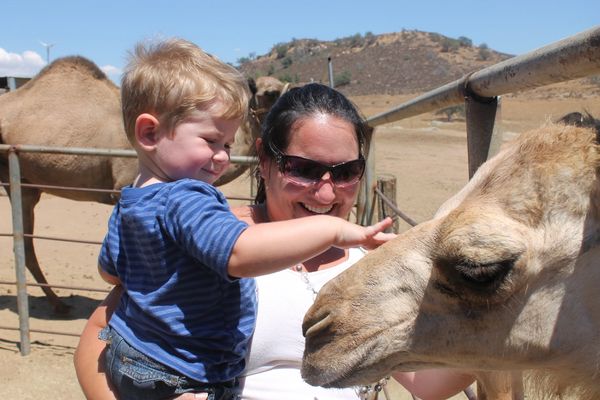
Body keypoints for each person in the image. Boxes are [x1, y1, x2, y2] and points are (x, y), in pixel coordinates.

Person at [75, 82, 474, 400]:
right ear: (265, 161)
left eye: (347, 171)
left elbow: (423, 383)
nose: (325, 194)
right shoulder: (208, 238)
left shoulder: (369, 261)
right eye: (303, 168)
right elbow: (99, 336)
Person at [92, 39, 393, 400]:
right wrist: (334, 229)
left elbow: (110, 269)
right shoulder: (187, 198)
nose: (222, 158)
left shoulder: (131, 200)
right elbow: (239, 254)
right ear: (149, 133)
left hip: (131, 360)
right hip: (180, 376)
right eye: (211, 141)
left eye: (229, 145)